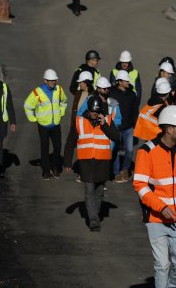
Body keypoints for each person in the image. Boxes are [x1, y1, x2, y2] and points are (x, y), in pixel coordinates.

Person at [132, 105, 176, 288]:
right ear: (169, 129)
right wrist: (161, 207)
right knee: (162, 265)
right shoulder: (146, 151)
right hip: (155, 219)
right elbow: (139, 185)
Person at [77, 95, 123, 231]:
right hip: (86, 161)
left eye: (96, 112)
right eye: (92, 111)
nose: (94, 114)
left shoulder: (107, 120)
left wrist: (104, 125)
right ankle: (93, 219)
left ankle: (94, 213)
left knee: (99, 191)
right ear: (89, 109)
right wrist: (68, 160)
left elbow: (116, 137)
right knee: (89, 190)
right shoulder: (80, 121)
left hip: (102, 161)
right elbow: (71, 139)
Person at [23, 69, 68, 180]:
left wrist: (62, 112)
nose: (53, 83)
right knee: (45, 149)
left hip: (55, 125)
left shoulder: (59, 90)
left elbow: (64, 102)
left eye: (54, 80)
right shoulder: (37, 93)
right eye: (50, 81)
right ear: (45, 81)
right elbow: (27, 106)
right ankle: (46, 171)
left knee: (57, 147)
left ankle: (54, 166)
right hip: (43, 126)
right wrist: (33, 118)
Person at [64, 70, 96, 177]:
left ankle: (83, 172)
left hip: (86, 126)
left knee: (84, 149)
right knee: (69, 143)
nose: (79, 84)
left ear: (86, 82)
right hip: (76, 124)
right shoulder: (78, 93)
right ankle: (68, 164)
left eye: (81, 82)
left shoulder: (94, 95)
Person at [111, 70, 140, 182]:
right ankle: (116, 172)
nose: (128, 82)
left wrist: (135, 124)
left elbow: (135, 110)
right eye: (126, 80)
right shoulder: (111, 93)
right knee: (116, 151)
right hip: (116, 127)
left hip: (128, 128)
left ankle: (125, 169)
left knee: (129, 150)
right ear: (119, 82)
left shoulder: (132, 94)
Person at [136, 78, 175, 143]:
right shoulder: (161, 107)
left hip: (148, 132)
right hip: (156, 134)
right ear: (167, 93)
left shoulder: (153, 100)